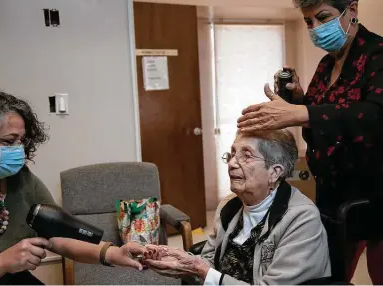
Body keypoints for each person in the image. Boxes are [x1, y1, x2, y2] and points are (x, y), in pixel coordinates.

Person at [237, 0, 383, 283]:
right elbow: (320, 126)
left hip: (376, 195)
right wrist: (298, 101)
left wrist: (302, 112)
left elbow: (374, 117)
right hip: (334, 197)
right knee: (328, 277)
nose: (315, 28)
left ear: (351, 10)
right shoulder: (327, 65)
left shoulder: (378, 55)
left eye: (323, 17)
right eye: (308, 22)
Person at [0, 86, 145, 285]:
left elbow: (58, 237)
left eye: (21, 141)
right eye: (9, 141)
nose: (18, 150)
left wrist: (113, 253)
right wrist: (3, 262)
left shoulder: (20, 180)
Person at [143, 129, 331, 285]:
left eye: (246, 156)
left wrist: (202, 271)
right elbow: (211, 261)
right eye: (232, 154)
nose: (232, 163)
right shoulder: (229, 206)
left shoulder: (301, 218)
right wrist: (180, 263)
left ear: (274, 172)